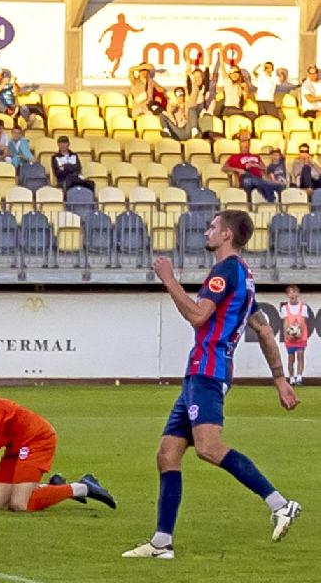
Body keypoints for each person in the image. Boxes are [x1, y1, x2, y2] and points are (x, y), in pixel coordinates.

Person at [123, 212, 302, 558]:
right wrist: (280, 379)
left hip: (209, 371)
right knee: (168, 453)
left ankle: (280, 503)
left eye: (212, 227)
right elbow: (263, 329)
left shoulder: (224, 272)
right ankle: (162, 542)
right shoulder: (245, 277)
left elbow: (198, 315)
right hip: (199, 374)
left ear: (226, 236)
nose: (207, 231)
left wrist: (169, 279)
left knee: (208, 447)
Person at [224, 136, 279, 202]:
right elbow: (224, 168)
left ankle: (267, 189)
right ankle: (271, 198)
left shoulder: (256, 156)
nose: (245, 148)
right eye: (243, 147)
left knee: (279, 185)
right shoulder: (234, 157)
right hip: (245, 178)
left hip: (258, 179)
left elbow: (264, 168)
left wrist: (257, 165)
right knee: (250, 179)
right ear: (240, 147)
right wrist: (238, 169)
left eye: (246, 147)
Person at [279, 286, 312, 386]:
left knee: (300, 356)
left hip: (301, 336)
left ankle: (299, 377)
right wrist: (288, 335)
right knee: (291, 358)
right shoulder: (285, 308)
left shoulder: (303, 307)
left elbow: (302, 321)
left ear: (298, 294)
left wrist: (299, 332)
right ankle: (291, 377)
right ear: (288, 295)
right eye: (290, 292)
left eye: (294, 292)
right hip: (290, 338)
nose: (292, 294)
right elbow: (285, 323)